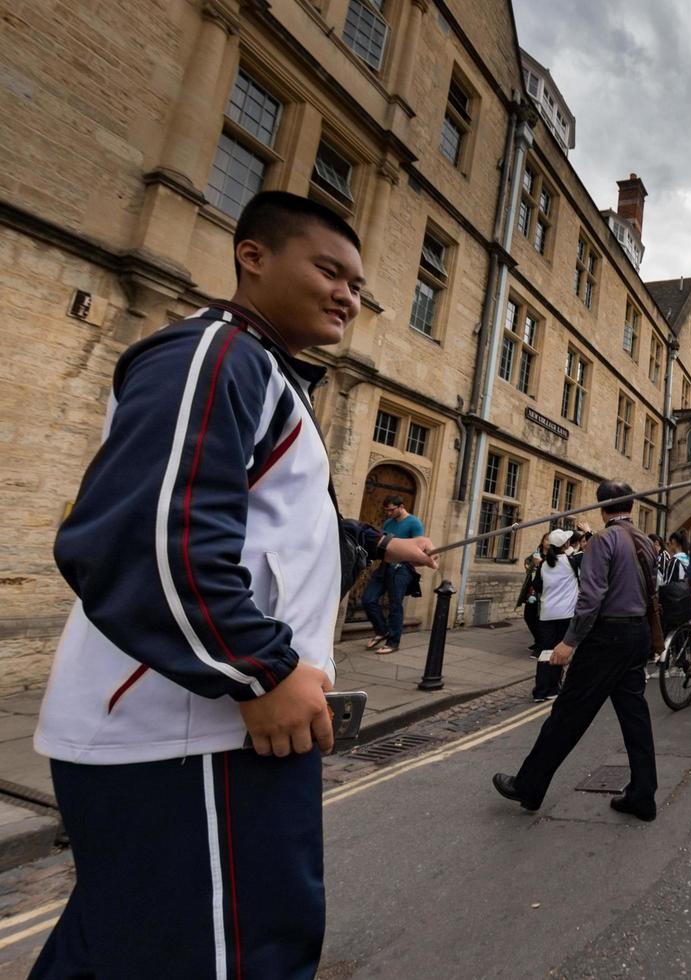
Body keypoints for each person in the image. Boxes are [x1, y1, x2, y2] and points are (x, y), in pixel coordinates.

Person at [30, 191, 438, 977]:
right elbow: (144, 536)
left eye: (358, 285)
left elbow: (276, 537)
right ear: (253, 256)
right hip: (196, 733)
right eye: (330, 271)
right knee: (236, 957)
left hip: (211, 730)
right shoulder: (215, 353)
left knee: (118, 948)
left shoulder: (263, 372)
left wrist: (378, 547)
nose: (348, 296)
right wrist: (261, 672)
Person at [493, 481, 660, 821]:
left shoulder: (603, 541)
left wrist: (568, 641)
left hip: (607, 638)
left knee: (567, 714)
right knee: (635, 717)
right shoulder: (644, 540)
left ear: (602, 508)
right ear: (630, 506)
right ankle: (643, 795)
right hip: (637, 634)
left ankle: (529, 785)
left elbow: (591, 597)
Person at [361, 495, 425, 654]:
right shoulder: (388, 523)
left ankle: (393, 643)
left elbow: (419, 547)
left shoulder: (414, 523)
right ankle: (382, 630)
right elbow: (383, 545)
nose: (388, 513)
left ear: (401, 507)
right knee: (368, 599)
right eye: (387, 510)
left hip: (402, 569)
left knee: (395, 605)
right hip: (385, 566)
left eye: (391, 510)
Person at [530, 529, 580, 702]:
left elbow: (537, 586)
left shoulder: (543, 564)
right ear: (566, 545)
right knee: (560, 652)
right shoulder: (572, 561)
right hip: (565, 614)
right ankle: (552, 688)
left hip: (546, 614)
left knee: (545, 652)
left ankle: (540, 690)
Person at [516, 533, 551, 655]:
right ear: (542, 541)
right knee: (528, 616)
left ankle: (541, 645)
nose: (548, 542)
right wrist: (533, 564)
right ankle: (538, 640)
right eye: (546, 539)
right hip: (531, 591)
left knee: (540, 619)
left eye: (551, 540)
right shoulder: (536, 553)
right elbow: (527, 563)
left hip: (544, 592)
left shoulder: (553, 557)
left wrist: (540, 564)